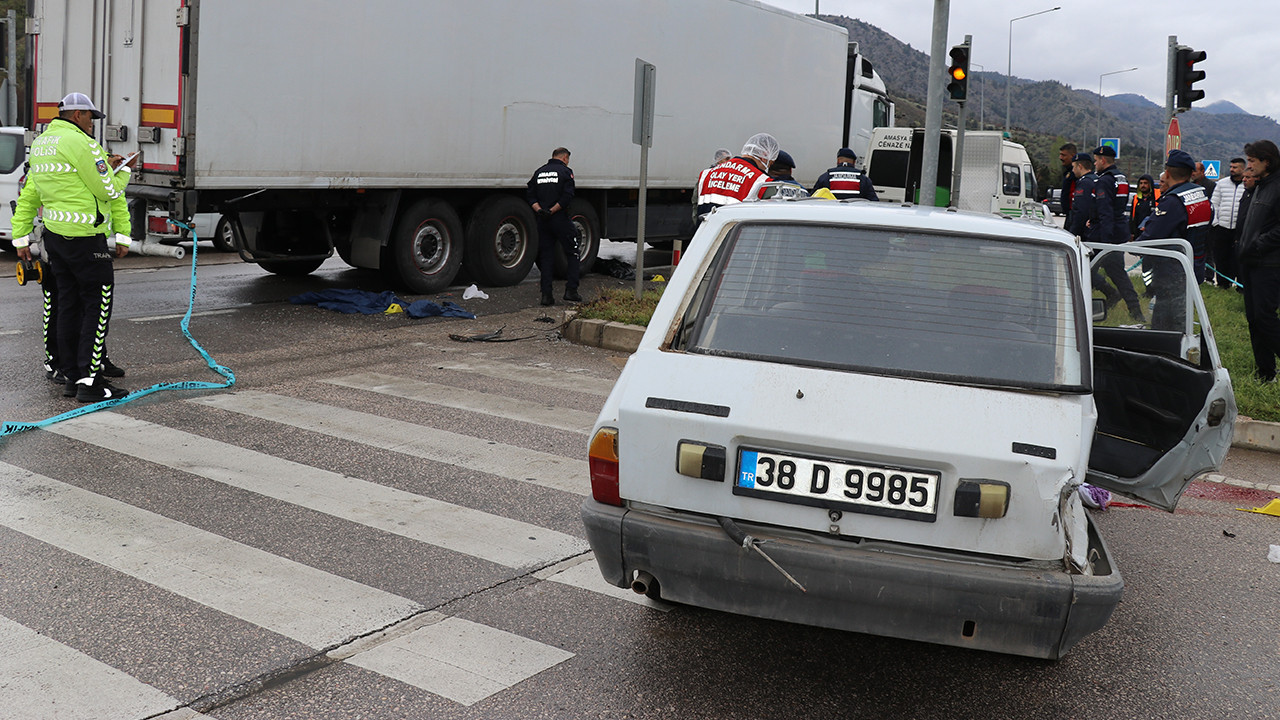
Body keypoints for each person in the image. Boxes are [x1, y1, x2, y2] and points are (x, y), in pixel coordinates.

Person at [12, 92, 134, 402]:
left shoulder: (41, 144)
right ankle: (90, 383)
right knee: (97, 305)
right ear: (77, 115)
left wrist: (21, 237)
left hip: (55, 239)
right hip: (84, 239)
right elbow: (106, 190)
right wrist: (123, 173)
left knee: (67, 305)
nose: (93, 124)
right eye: (91, 117)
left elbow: (31, 195)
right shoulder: (81, 143)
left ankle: (71, 376)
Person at [1134, 150, 1212, 332]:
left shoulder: (1173, 201)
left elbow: (1150, 236)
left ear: (1167, 173)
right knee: (1181, 318)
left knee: (1169, 327)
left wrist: (1132, 245)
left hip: (1172, 274)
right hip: (1195, 266)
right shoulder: (1201, 195)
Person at [1234, 140, 1280, 381]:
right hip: (1250, 261)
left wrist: (1258, 245)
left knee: (1265, 317)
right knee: (1254, 319)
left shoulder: (1278, 186)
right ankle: (1265, 372)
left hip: (1269, 263)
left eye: (1252, 161)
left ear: (1267, 161)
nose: (1247, 166)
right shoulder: (1260, 185)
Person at [1091, 145, 1145, 321]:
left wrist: (1104, 243)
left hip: (1107, 234)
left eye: (1096, 160)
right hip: (1119, 230)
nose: (1095, 163)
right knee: (1117, 273)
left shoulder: (1105, 180)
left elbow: (1105, 212)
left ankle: (1111, 297)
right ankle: (1134, 309)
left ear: (1103, 160)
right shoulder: (1120, 178)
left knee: (1088, 270)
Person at [526, 147, 579, 307]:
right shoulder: (565, 172)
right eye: (567, 159)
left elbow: (530, 195)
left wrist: (540, 210)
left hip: (543, 220)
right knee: (573, 252)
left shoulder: (539, 172)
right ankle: (571, 291)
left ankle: (546, 296)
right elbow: (567, 196)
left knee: (547, 256)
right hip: (559, 219)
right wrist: (552, 210)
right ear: (564, 158)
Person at [694, 133, 779, 218]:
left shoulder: (706, 174)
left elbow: (695, 210)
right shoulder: (762, 183)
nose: (767, 167)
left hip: (706, 230)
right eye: (770, 163)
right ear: (765, 155)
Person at [1209, 157, 1247, 288]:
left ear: (1243, 168)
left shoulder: (1247, 184)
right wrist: (1216, 223)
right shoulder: (1221, 184)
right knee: (1221, 257)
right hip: (1222, 228)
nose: (1232, 169)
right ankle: (1222, 284)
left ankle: (1240, 286)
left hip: (1239, 230)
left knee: (1238, 259)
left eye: (1235, 167)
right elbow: (1214, 204)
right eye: (1231, 167)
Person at [811, 147, 878, 201]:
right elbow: (873, 202)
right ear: (854, 162)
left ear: (838, 160)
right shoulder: (863, 178)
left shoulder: (826, 177)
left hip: (831, 215)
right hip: (855, 215)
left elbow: (812, 198)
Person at [1129, 174, 1159, 240]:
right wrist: (1131, 232)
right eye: (1141, 183)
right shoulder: (1136, 199)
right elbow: (1133, 217)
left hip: (1152, 232)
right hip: (1138, 233)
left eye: (1145, 183)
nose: (1143, 185)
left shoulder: (1157, 197)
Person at [1059, 143, 1078, 219]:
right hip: (1068, 214)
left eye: (1064, 155)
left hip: (1073, 213)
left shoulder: (1076, 174)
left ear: (1072, 156)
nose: (1060, 157)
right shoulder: (1068, 172)